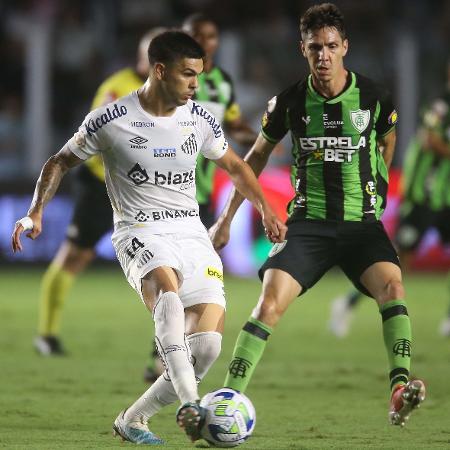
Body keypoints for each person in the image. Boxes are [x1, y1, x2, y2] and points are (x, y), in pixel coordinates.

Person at [12, 31, 286, 444]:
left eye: (199, 75)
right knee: (169, 302)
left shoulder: (200, 118)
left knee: (208, 347)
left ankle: (132, 419)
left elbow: (234, 165)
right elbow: (59, 162)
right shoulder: (110, 118)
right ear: (160, 71)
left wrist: (264, 207)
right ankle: (191, 406)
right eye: (188, 75)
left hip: (191, 231)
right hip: (139, 230)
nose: (196, 85)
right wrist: (36, 211)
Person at [210, 3, 425, 428]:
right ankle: (228, 396)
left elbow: (388, 140)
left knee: (394, 288)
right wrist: (228, 219)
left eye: (330, 46)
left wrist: (377, 187)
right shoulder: (288, 102)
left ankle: (399, 388)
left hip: (361, 225)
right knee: (269, 304)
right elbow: (252, 160)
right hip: (307, 225)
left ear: (345, 47)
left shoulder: (375, 97)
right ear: (302, 50)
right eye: (314, 48)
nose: (323, 55)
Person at [138, 14, 259, 382]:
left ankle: (178, 349)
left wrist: (261, 134)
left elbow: (230, 123)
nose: (206, 42)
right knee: (168, 279)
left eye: (212, 36)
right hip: (164, 198)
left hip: (203, 196)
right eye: (197, 36)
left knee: (195, 281)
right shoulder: (166, 83)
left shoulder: (221, 83)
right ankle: (164, 355)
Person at [329, 61, 450, 338]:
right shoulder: (440, 107)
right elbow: (431, 140)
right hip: (423, 195)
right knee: (397, 262)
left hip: (446, 198)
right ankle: (347, 303)